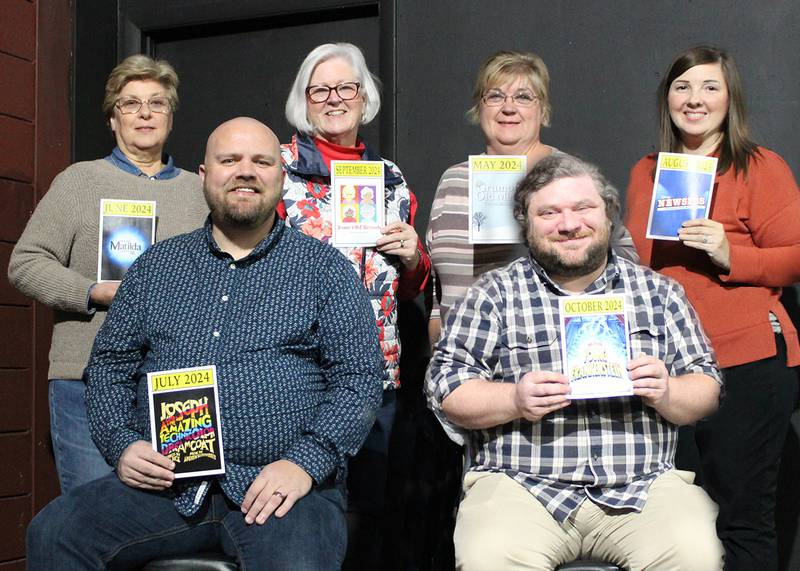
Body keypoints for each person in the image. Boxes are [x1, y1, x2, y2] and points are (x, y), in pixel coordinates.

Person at [25, 117, 384, 570]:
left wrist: (305, 463)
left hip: (282, 486)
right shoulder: (156, 267)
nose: (245, 171)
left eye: (261, 161)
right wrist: (122, 444)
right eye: (229, 160)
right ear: (203, 175)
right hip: (170, 484)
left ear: (280, 176)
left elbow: (359, 379)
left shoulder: (324, 270)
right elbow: (109, 367)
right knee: (55, 533)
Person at [426, 154, 724, 570]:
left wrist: (669, 391)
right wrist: (514, 399)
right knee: (488, 556)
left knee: (694, 550)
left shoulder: (660, 294)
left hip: (643, 488)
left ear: (608, 216)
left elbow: (708, 388)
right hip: (521, 488)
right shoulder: (493, 293)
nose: (568, 224)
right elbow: (447, 388)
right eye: (549, 212)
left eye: (583, 208)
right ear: (526, 224)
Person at [624, 45, 800, 571]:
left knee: (742, 519)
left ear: (730, 99)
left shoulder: (758, 166)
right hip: (670, 369)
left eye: (709, 87)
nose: (694, 99)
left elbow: (794, 258)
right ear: (667, 99)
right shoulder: (647, 170)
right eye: (682, 87)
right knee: (672, 525)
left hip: (745, 362)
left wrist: (731, 254)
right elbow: (637, 262)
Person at [7, 54, 208, 493]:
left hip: (178, 383)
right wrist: (93, 291)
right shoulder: (79, 181)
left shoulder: (201, 192)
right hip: (85, 375)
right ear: (112, 118)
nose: (144, 113)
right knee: (91, 517)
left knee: (170, 519)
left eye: (157, 103)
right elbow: (25, 263)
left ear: (170, 117)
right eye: (130, 103)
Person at [279, 42, 430, 567]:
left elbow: (409, 288)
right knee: (301, 515)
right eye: (321, 89)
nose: (334, 98)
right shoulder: (277, 168)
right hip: (297, 374)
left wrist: (414, 257)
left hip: (374, 377)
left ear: (364, 98)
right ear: (305, 101)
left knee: (367, 520)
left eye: (346, 87)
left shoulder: (391, 178)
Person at [425, 50, 638, 346]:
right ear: (479, 107)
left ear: (543, 110)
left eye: (524, 97)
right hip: (465, 363)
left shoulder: (571, 176)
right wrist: (436, 321)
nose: (508, 108)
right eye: (495, 96)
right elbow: (440, 274)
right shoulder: (454, 180)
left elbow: (625, 260)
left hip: (542, 357)